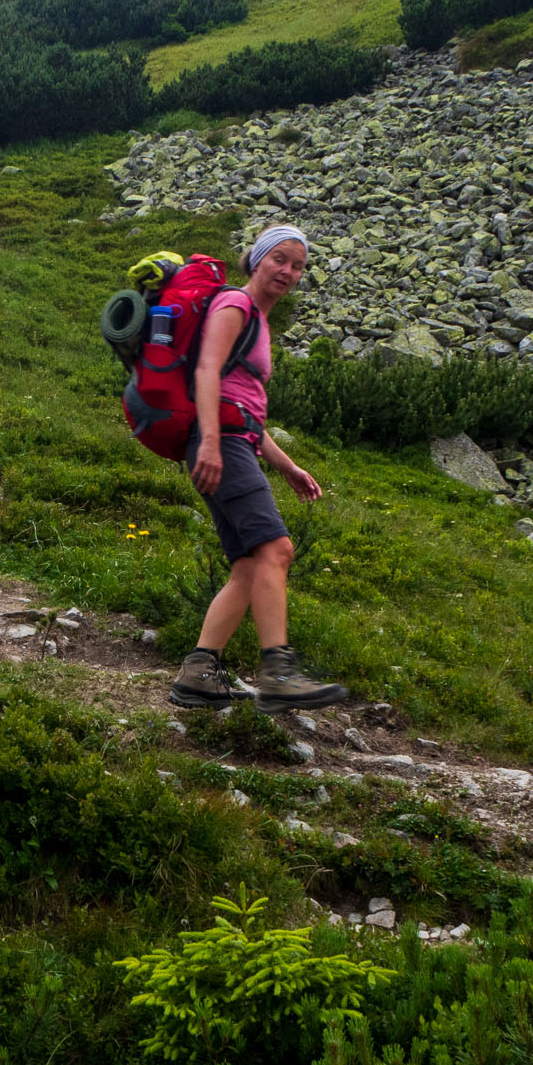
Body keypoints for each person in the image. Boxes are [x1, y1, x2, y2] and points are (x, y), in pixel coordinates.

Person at [169, 224, 349, 713]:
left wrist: (286, 465)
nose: (288, 272)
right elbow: (207, 370)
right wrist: (208, 441)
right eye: (280, 260)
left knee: (249, 565)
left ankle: (198, 673)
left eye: (298, 266)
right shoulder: (236, 305)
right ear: (258, 259)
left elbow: (243, 407)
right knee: (277, 548)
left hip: (232, 440)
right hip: (220, 443)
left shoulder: (257, 320)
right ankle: (279, 673)